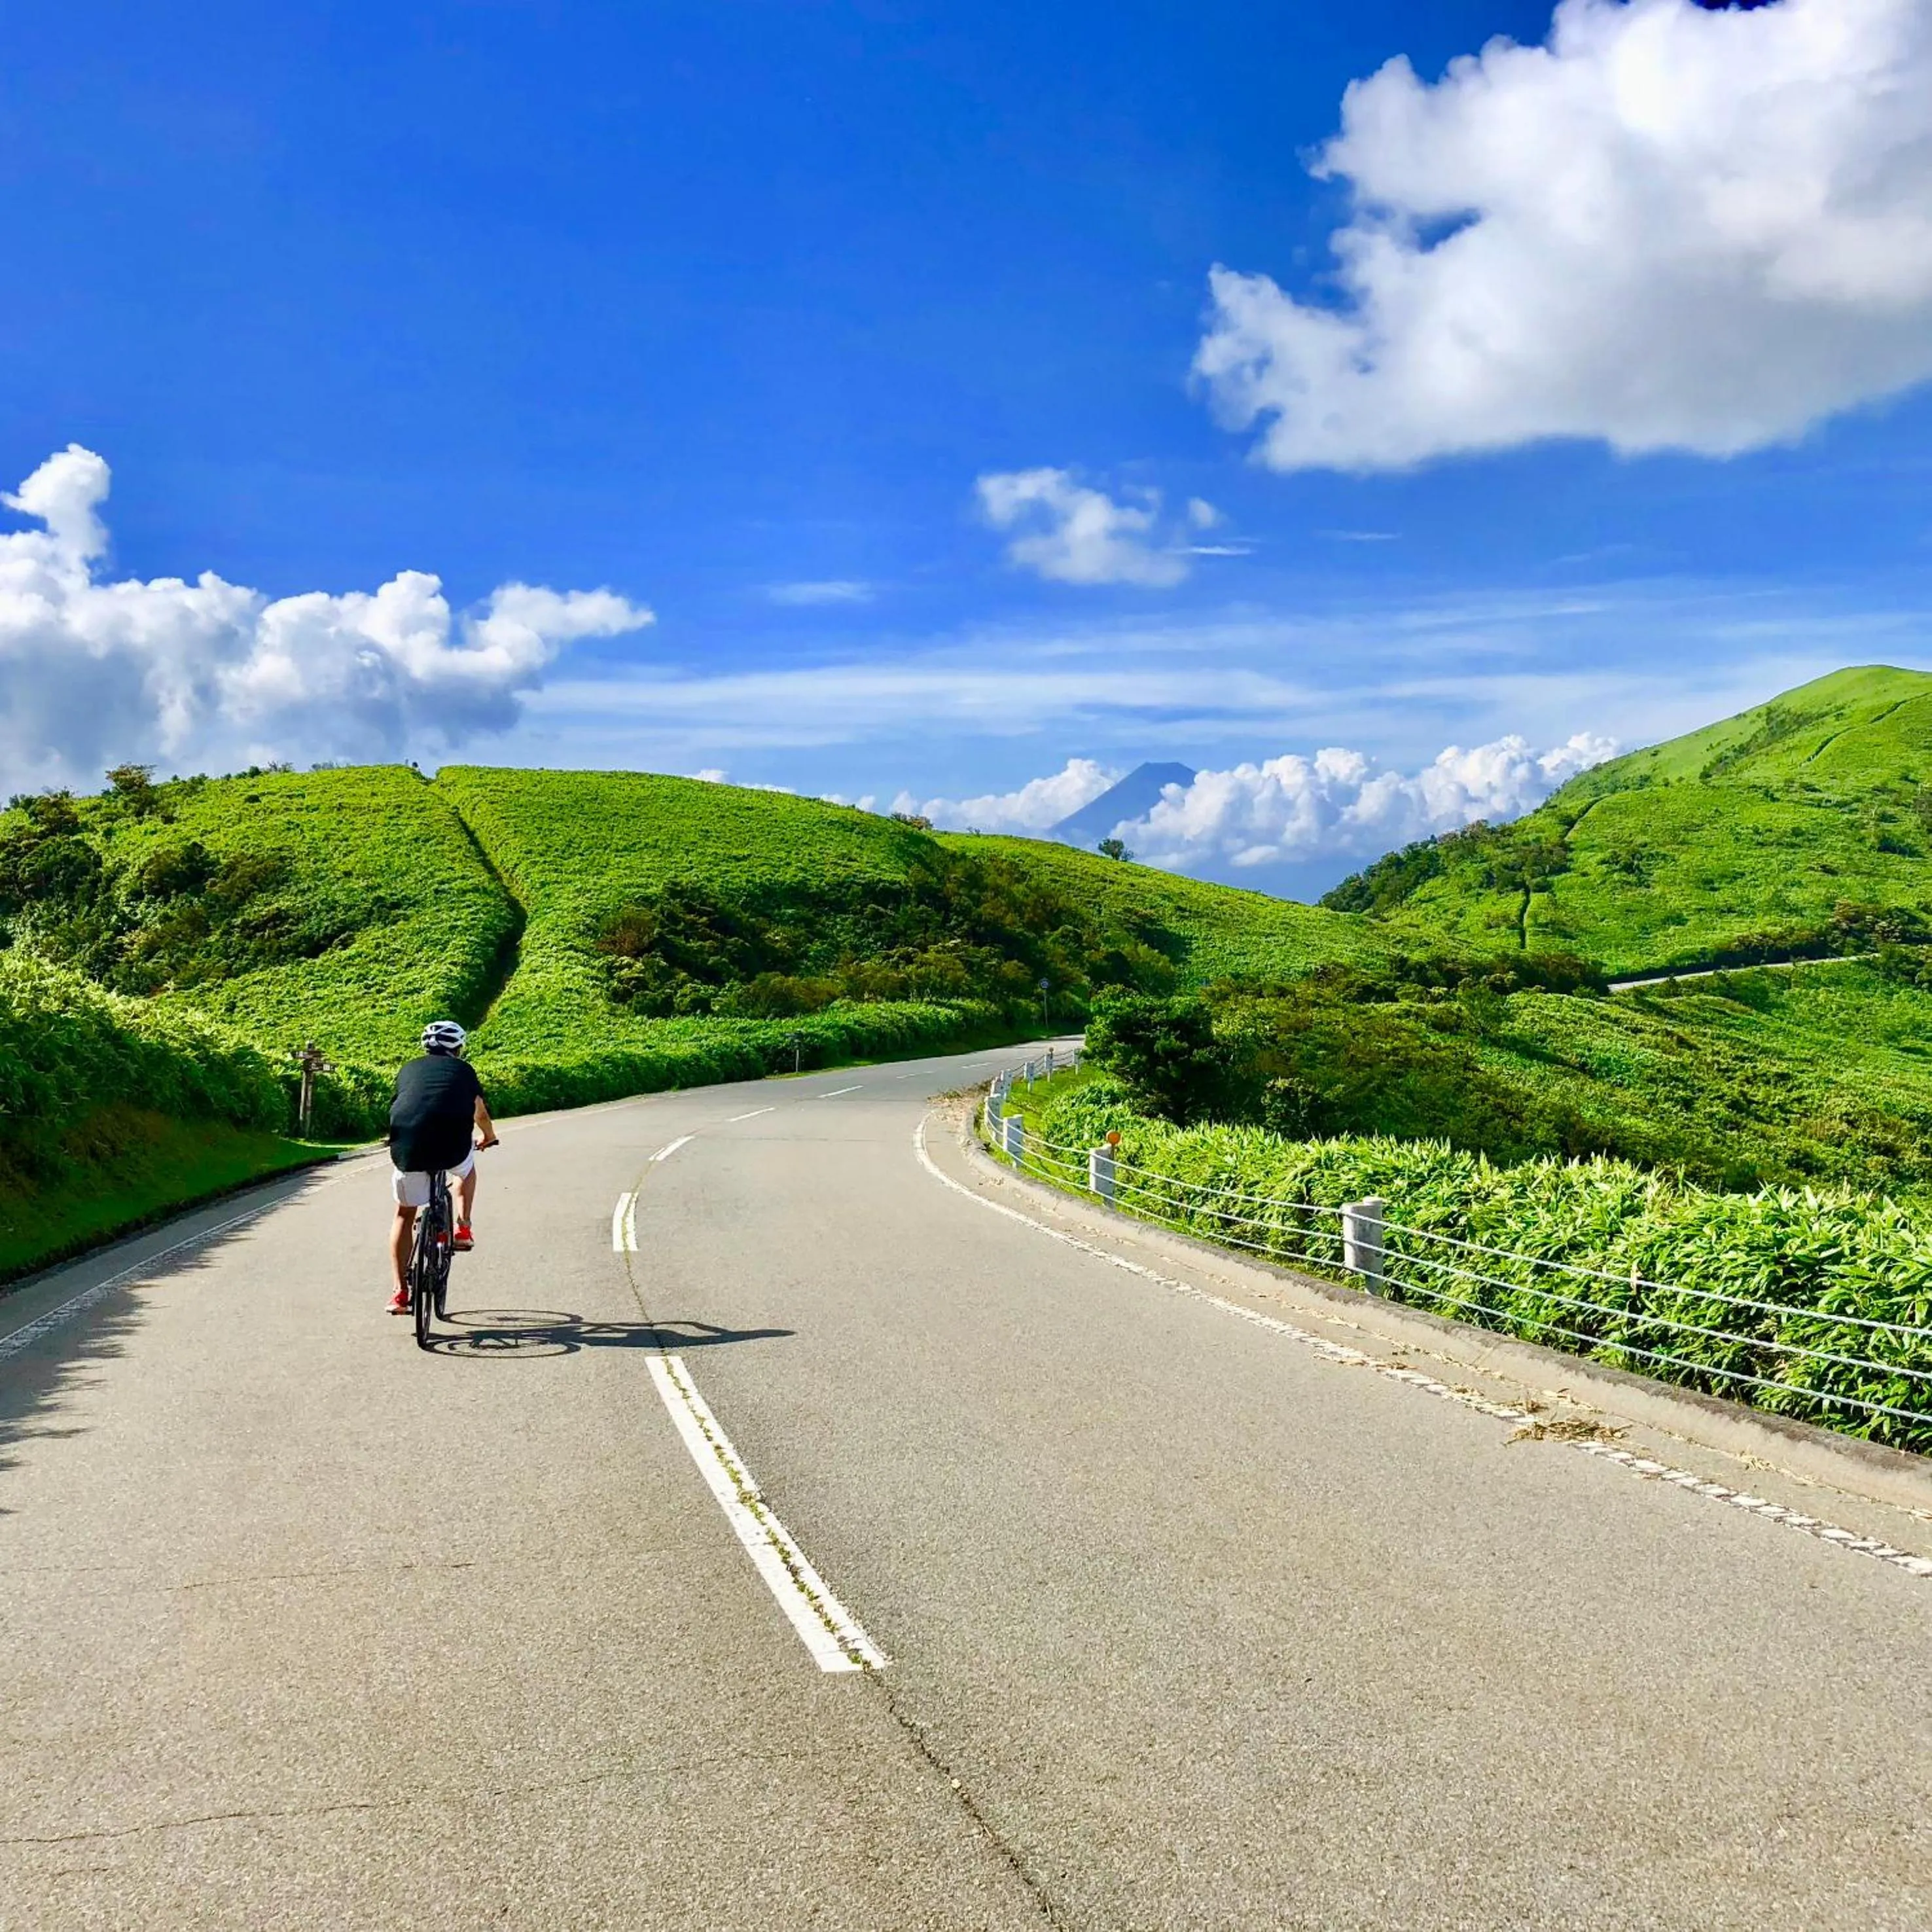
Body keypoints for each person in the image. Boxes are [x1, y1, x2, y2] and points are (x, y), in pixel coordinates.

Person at [387, 1019, 498, 1314]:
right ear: (457, 1048)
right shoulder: (463, 1071)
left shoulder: (408, 1069)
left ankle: (400, 1293)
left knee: (404, 1213)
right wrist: (489, 1137)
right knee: (466, 1170)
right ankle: (463, 1228)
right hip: (451, 1146)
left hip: (408, 1145)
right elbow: (480, 1113)